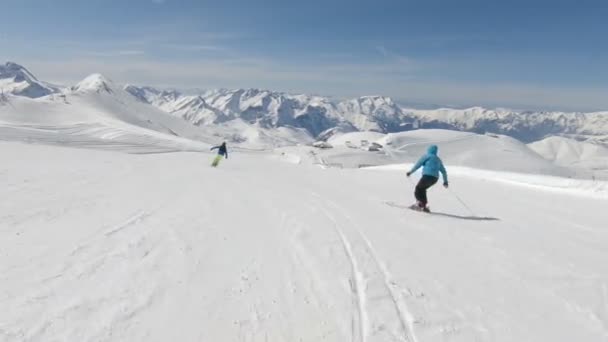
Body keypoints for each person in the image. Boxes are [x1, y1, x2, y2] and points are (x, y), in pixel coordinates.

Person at [406, 145, 448, 212]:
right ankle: (424, 206)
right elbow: (444, 171)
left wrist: (410, 172)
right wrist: (445, 182)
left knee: (418, 188)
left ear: (428, 150)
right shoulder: (438, 159)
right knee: (422, 189)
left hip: (427, 176)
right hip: (434, 179)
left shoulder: (427, 156)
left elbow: (418, 164)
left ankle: (419, 205)